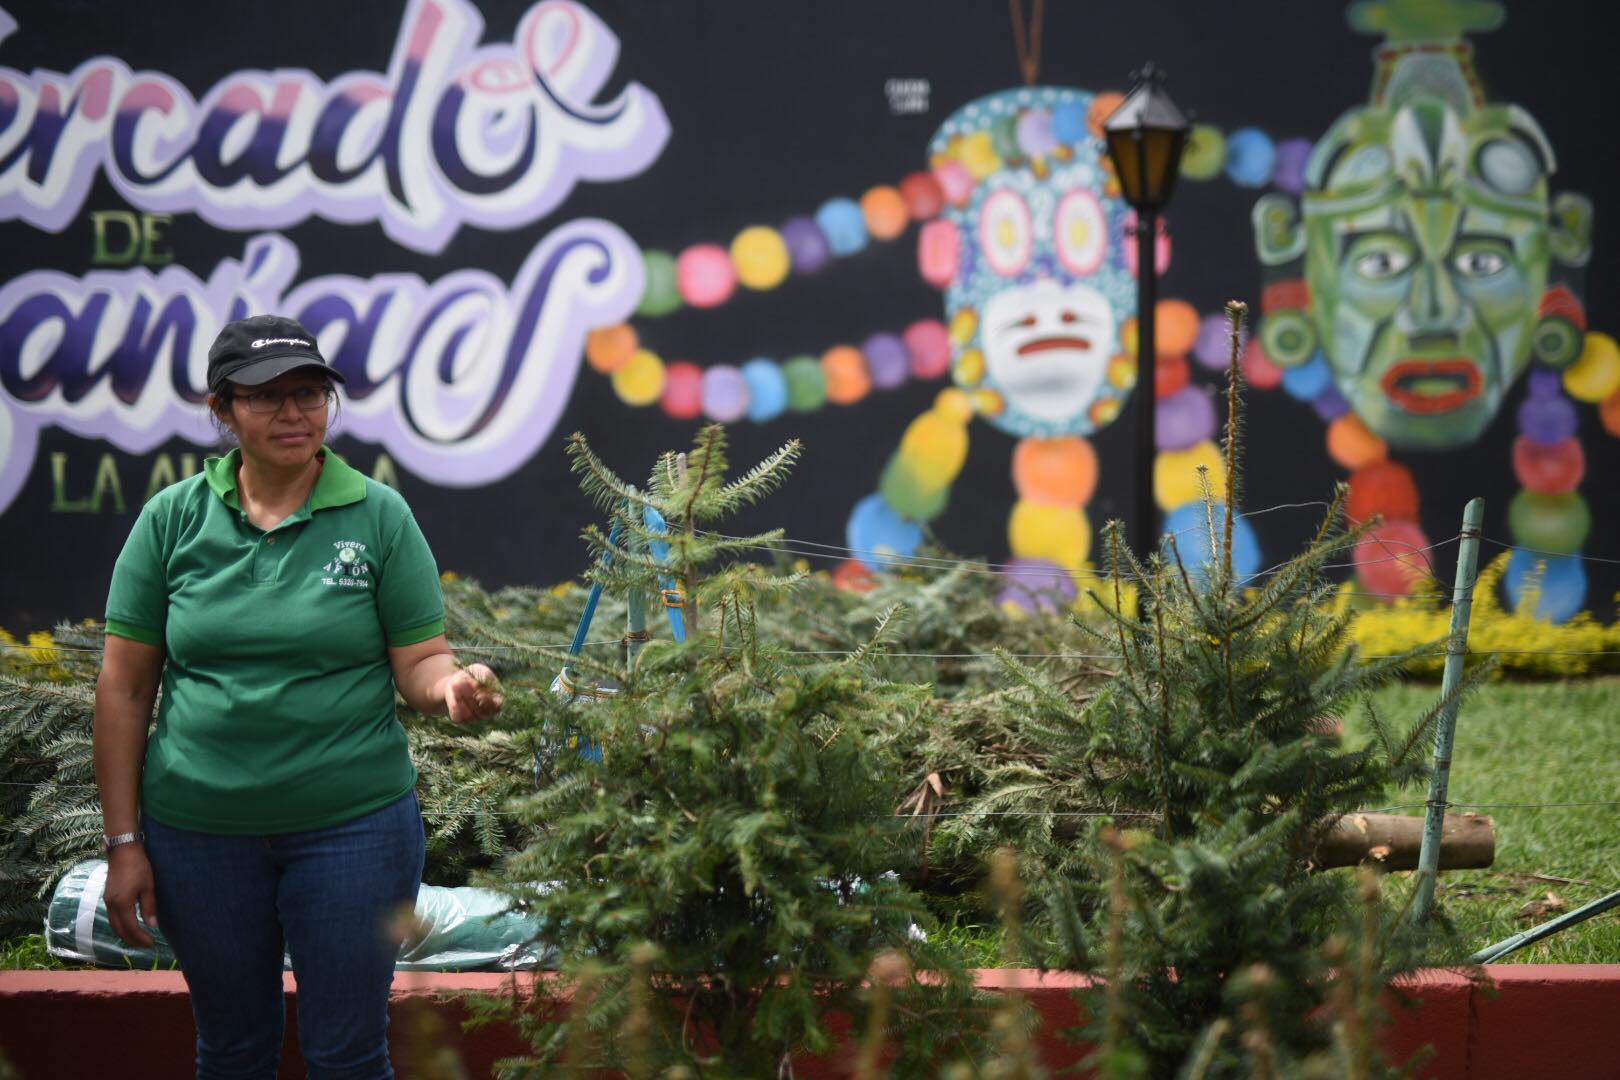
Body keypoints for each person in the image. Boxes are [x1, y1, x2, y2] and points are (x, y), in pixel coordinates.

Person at [93, 314, 503, 1079]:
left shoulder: (379, 515)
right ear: (222, 411)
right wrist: (125, 844)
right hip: (196, 837)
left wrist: (450, 687)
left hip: (354, 832)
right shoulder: (172, 519)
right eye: (265, 397)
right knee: (233, 1050)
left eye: (310, 393)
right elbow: (124, 688)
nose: (293, 414)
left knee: (348, 1053)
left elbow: (419, 658)